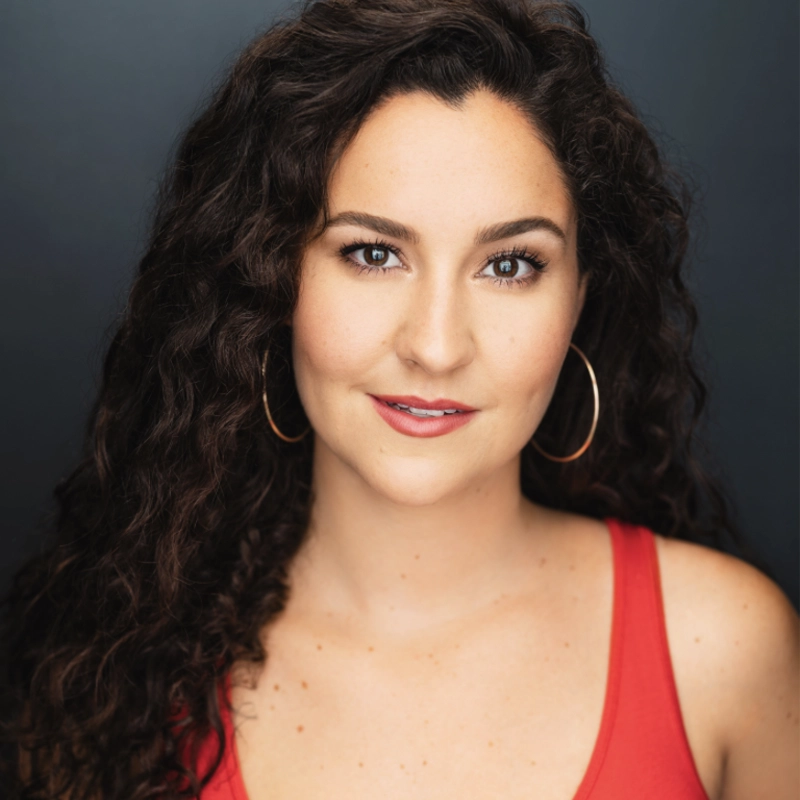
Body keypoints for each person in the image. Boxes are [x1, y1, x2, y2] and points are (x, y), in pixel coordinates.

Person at [2, 0, 798, 797]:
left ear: (580, 300)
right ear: (272, 281)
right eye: (374, 253)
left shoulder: (725, 653)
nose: (437, 346)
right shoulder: (109, 681)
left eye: (511, 265)